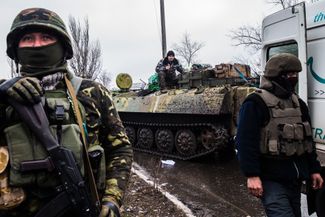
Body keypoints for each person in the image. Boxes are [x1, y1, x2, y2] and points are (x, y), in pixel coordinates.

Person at [0, 8, 133, 217]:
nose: (37, 45)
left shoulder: (92, 93)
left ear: (63, 46)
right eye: (27, 38)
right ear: (15, 49)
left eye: (46, 37)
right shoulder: (4, 97)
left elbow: (120, 149)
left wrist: (112, 199)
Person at [236, 53, 323, 217]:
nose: (293, 78)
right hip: (271, 179)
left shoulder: (298, 103)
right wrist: (252, 175)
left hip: (295, 180)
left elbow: (307, 140)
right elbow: (245, 142)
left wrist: (314, 170)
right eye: (289, 74)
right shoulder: (255, 102)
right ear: (276, 76)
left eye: (295, 74)